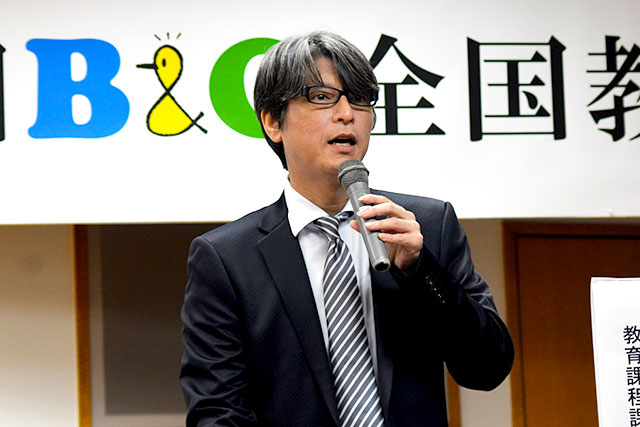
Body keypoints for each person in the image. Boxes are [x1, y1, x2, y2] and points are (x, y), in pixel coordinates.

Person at [180, 31, 514, 426]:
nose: (346, 113)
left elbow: (488, 368)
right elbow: (217, 411)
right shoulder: (226, 259)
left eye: (359, 98)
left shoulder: (426, 226)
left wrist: (420, 269)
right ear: (272, 122)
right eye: (322, 97)